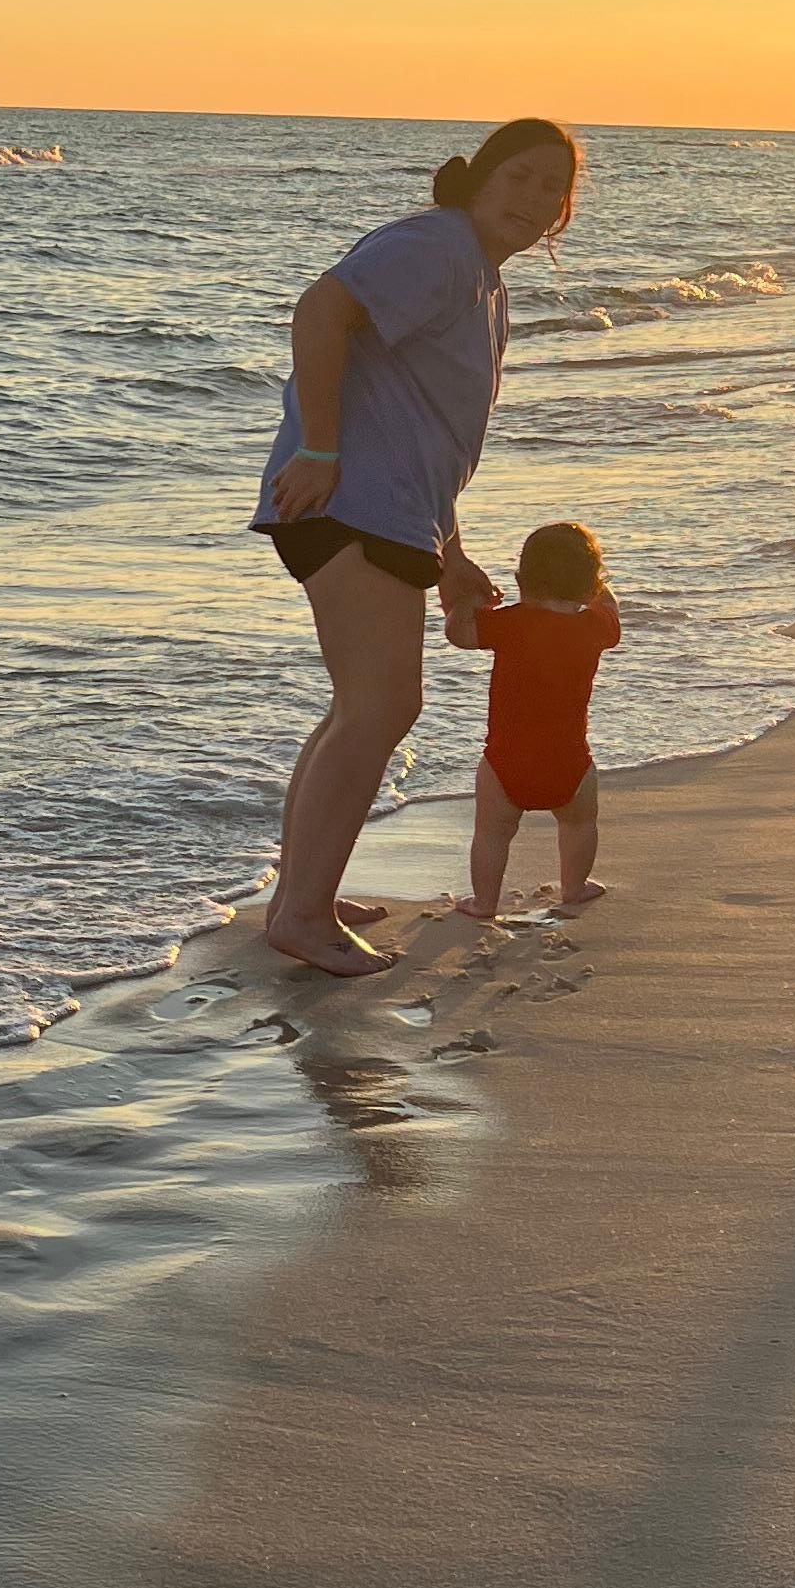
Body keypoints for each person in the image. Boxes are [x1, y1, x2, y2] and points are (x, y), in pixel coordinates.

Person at [254, 118, 581, 976]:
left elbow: (427, 430)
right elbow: (322, 309)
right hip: (344, 497)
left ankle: (304, 894)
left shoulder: (483, 281)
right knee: (381, 705)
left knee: (359, 706)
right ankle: (301, 914)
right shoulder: (437, 245)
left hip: (393, 510)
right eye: (519, 177)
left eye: (553, 187)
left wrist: (452, 554)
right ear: (477, 179)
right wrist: (319, 447)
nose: (534, 198)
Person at [451, 521, 620, 917]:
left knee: (492, 835)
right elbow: (611, 611)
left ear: (519, 580)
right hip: (571, 763)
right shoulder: (594, 626)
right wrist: (597, 588)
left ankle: (485, 903)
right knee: (579, 825)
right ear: (588, 586)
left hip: (505, 763)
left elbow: (458, 633)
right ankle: (574, 888)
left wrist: (468, 603)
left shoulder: (507, 623)